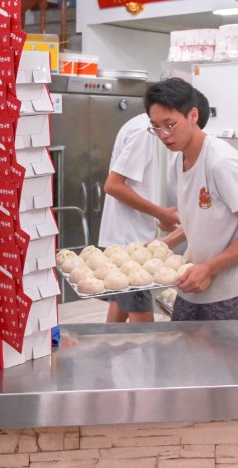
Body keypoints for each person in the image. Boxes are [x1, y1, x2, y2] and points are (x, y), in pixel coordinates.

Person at [145, 77, 238, 322]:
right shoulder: (177, 160)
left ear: (193, 115)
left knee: (237, 361)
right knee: (186, 358)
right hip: (194, 287)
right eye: (156, 127)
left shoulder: (221, 162)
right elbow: (202, 218)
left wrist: (209, 269)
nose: (163, 134)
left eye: (170, 125)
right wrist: (166, 242)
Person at [99, 88, 211, 323]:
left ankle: (109, 356)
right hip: (131, 242)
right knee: (142, 322)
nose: (167, 133)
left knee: (120, 306)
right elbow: (113, 185)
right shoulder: (145, 132)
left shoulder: (147, 128)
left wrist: (164, 225)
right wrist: (161, 213)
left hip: (130, 239)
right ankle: (146, 360)